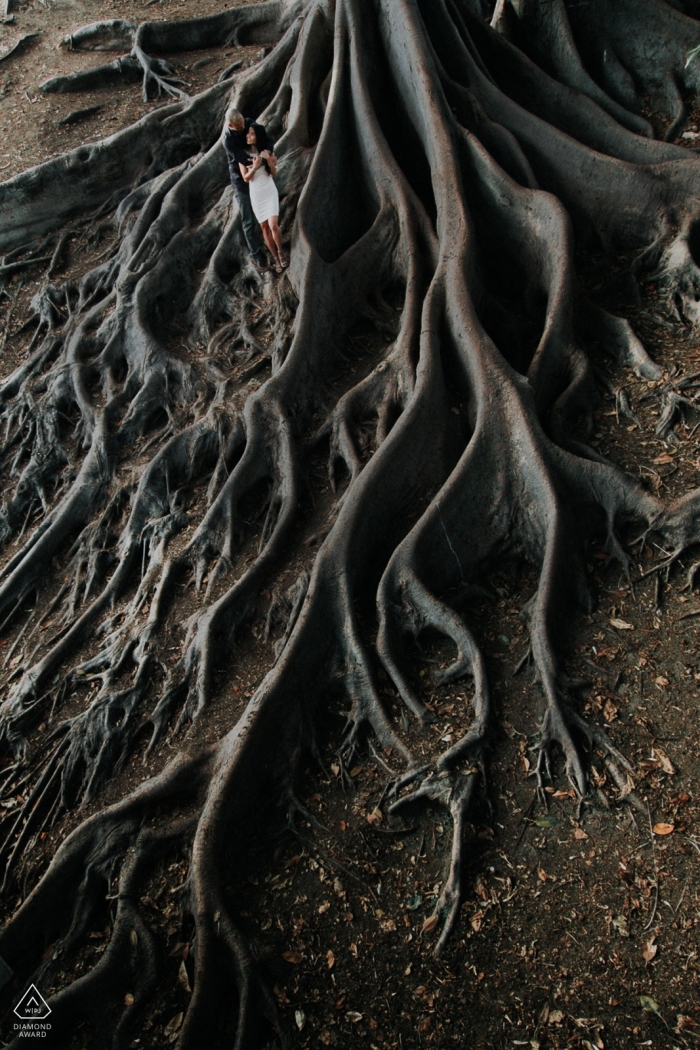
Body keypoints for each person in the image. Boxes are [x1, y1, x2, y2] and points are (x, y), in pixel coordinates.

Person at [222, 106, 275, 272]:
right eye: (238, 127)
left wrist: (267, 151)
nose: (242, 128)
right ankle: (256, 254)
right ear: (230, 126)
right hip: (242, 181)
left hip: (260, 178)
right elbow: (243, 159)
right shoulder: (228, 140)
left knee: (267, 213)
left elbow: (266, 139)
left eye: (242, 123)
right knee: (248, 220)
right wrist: (259, 161)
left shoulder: (250, 124)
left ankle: (272, 244)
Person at [238, 124, 287, 274]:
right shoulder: (242, 155)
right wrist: (254, 166)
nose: (248, 137)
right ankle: (275, 259)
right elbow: (246, 178)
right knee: (265, 228)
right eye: (247, 135)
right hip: (256, 195)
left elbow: (273, 173)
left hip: (269, 190)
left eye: (251, 134)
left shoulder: (265, 152)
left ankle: (280, 251)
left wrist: (268, 160)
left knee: (273, 225)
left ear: (257, 136)